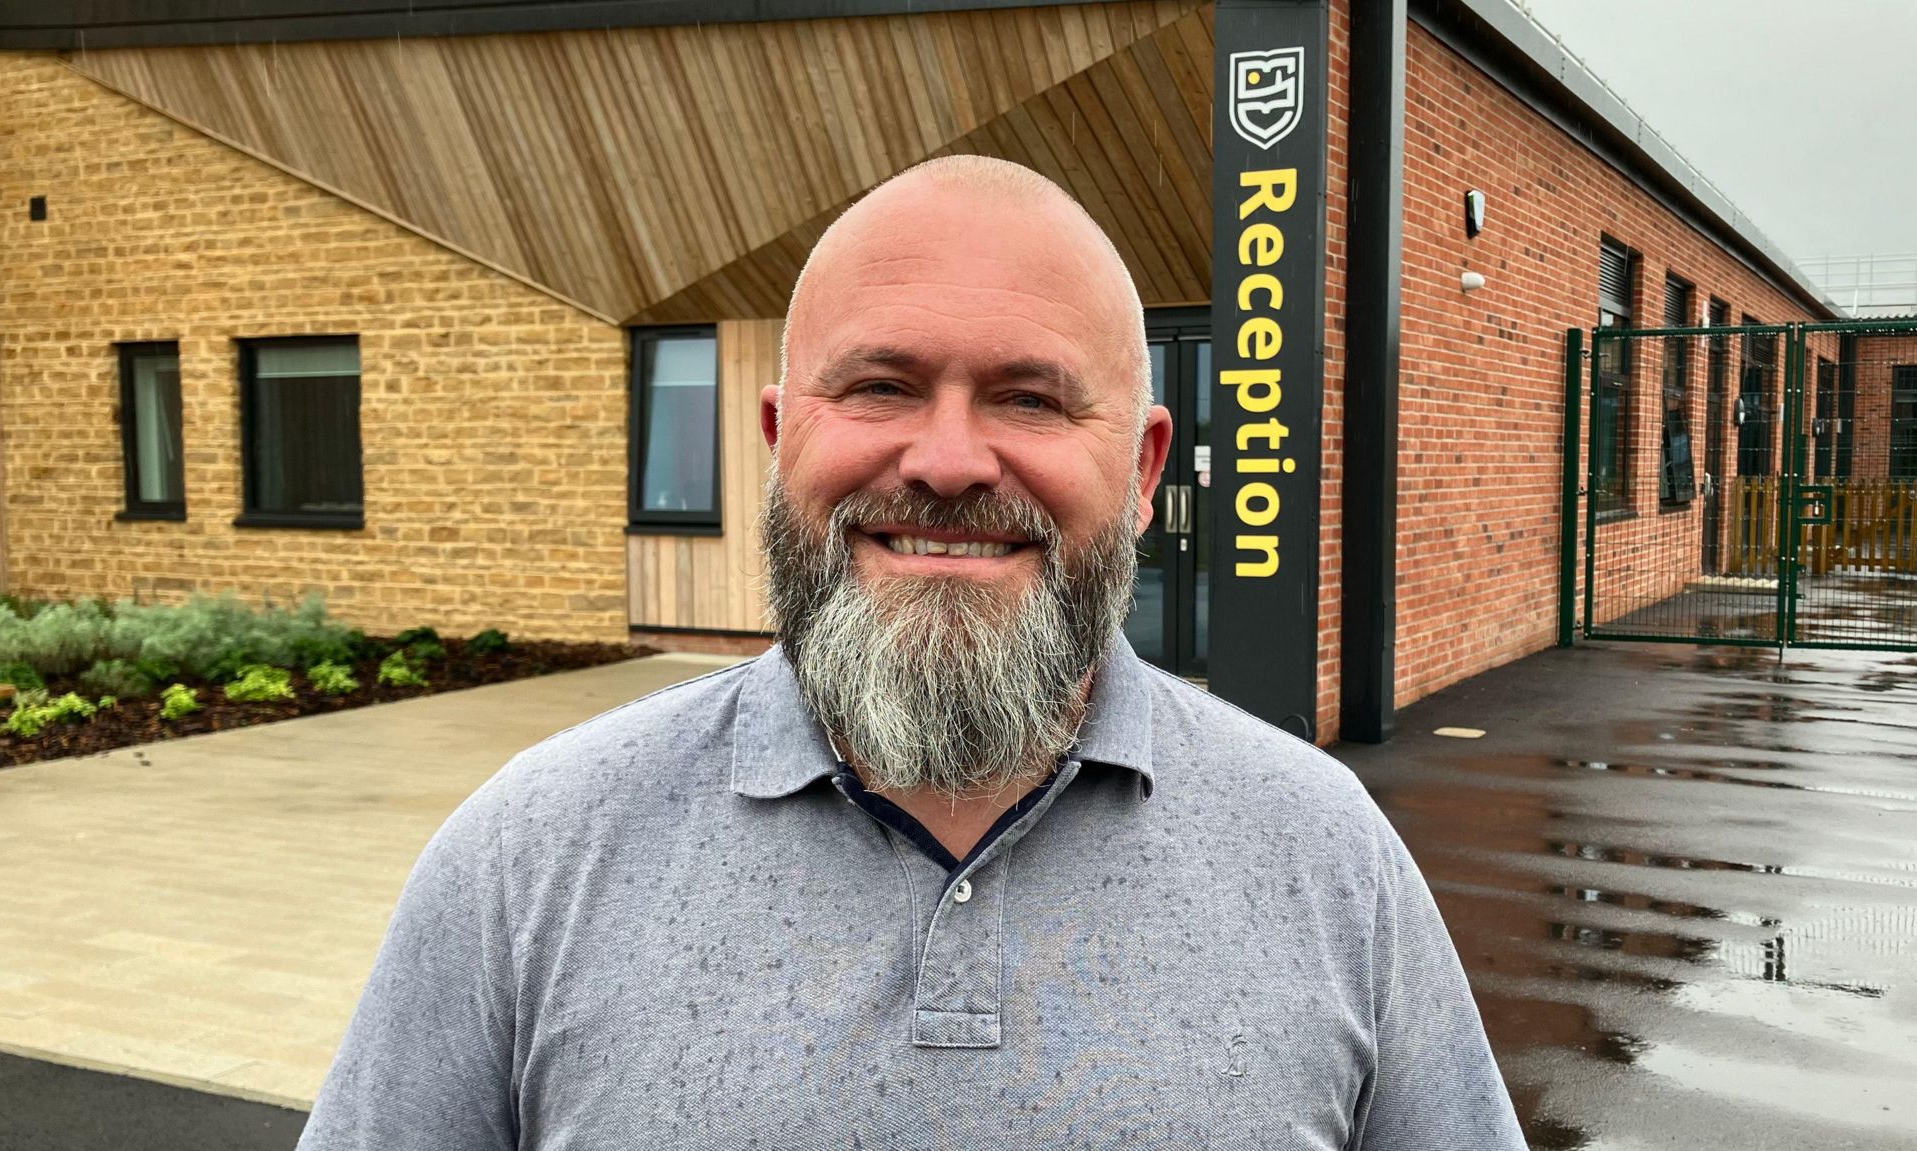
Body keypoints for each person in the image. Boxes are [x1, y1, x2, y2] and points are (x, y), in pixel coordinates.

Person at [297, 156, 1525, 1149]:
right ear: (780, 437)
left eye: (1031, 398)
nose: (946, 462)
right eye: (880, 385)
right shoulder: (530, 856)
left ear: (1145, 468)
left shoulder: (1325, 854)